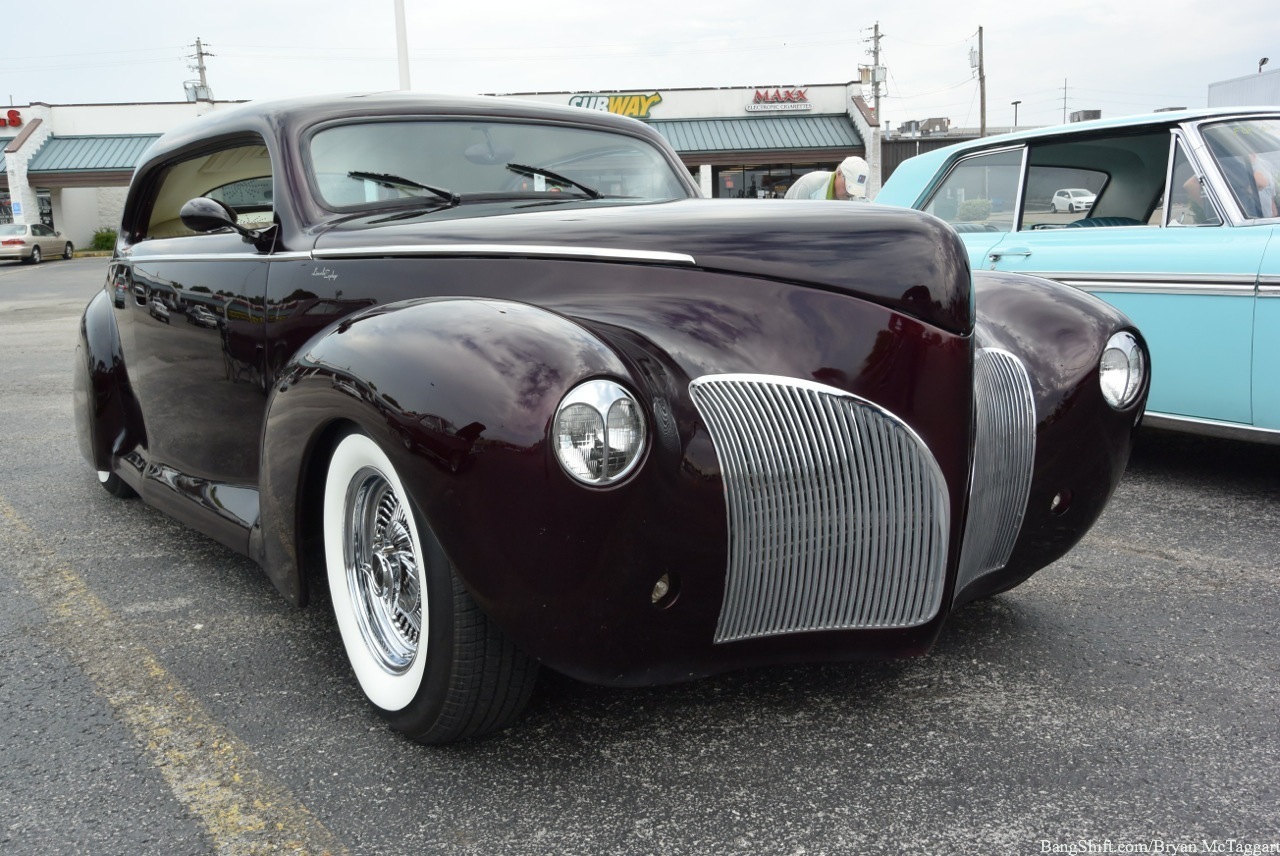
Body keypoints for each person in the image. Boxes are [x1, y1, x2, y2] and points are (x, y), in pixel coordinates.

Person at [784, 156, 870, 200]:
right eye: (849, 186)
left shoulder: (854, 198)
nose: (851, 194)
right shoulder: (810, 185)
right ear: (839, 173)